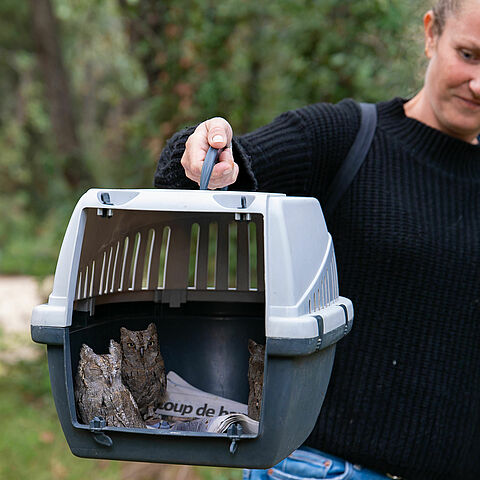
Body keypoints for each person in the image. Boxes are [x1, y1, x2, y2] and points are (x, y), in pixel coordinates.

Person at [154, 0, 480, 478]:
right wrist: (206, 150)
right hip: (319, 468)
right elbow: (212, 171)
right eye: (469, 54)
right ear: (431, 34)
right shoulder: (350, 138)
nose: (478, 83)